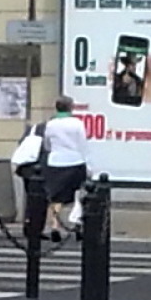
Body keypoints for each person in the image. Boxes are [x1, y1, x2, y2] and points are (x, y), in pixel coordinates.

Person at [42, 95, 92, 242]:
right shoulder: (77, 123)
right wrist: (89, 165)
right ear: (71, 107)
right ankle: (76, 223)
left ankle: (54, 226)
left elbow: (47, 144)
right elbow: (83, 144)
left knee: (56, 197)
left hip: (56, 162)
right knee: (78, 195)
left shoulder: (51, 124)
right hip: (75, 161)